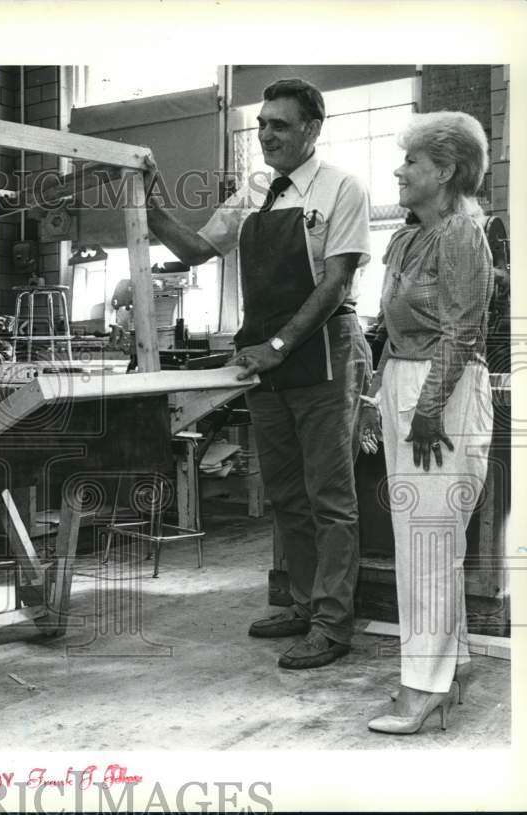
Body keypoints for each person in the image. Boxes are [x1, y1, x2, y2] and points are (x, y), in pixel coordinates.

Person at [146, 78, 372, 669]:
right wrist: (146, 204)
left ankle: (332, 623)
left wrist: (278, 344)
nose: (266, 133)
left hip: (321, 351)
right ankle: (302, 603)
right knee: (287, 494)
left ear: (312, 129)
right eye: (262, 124)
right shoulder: (253, 189)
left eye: (279, 124)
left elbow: (336, 283)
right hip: (266, 359)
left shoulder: (342, 188)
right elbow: (197, 248)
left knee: (331, 497)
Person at [361, 112, 493, 734]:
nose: (399, 169)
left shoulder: (464, 235)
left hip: (441, 393)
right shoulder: (411, 236)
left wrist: (427, 406)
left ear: (444, 171)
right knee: (424, 540)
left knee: (429, 545)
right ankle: (453, 665)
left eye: (411, 160)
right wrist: (377, 394)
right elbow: (393, 326)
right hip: (406, 388)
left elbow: (462, 330)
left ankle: (422, 687)